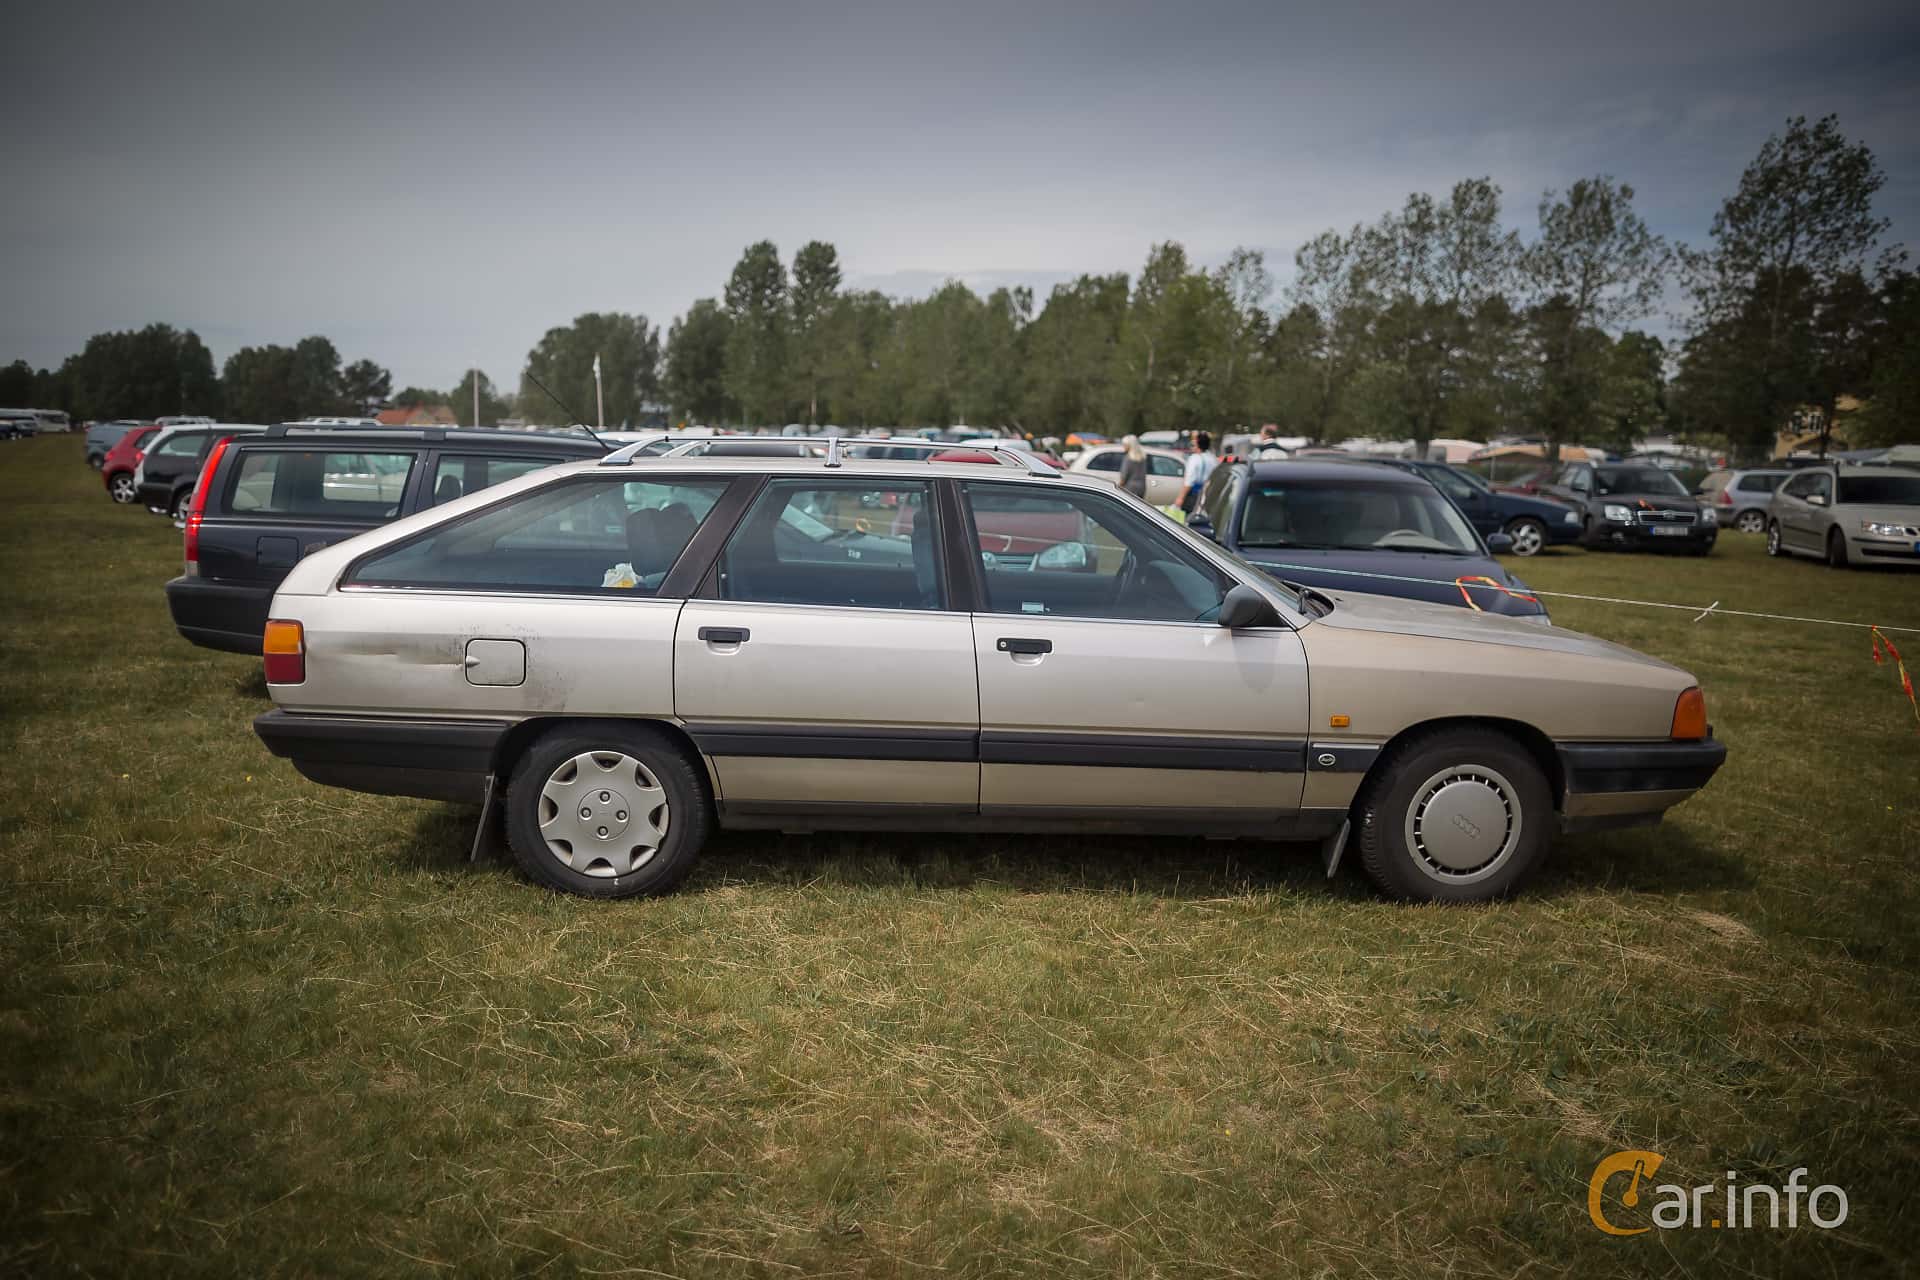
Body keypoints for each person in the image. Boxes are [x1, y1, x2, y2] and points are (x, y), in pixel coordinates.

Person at [1180, 431, 1216, 514]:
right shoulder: (1213, 458)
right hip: (1209, 495)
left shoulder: (1194, 459)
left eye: (1194, 444)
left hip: (1195, 496)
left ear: (1198, 445)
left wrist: (1180, 498)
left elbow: (1189, 481)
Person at [1118, 434, 1149, 499]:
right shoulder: (1143, 457)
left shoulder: (1128, 458)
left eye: (1124, 444)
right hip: (1141, 487)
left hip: (1129, 488)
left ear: (1129, 445)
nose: (1123, 446)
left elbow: (1124, 476)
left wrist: (1118, 488)